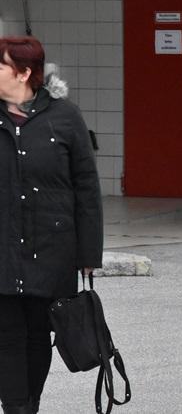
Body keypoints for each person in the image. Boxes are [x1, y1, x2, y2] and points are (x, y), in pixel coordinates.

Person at [0, 36, 102, 414]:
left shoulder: (65, 116)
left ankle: (30, 403)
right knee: (7, 334)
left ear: (24, 73)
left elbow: (86, 187)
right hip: (3, 244)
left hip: (51, 247)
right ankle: (15, 406)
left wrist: (89, 253)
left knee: (38, 334)